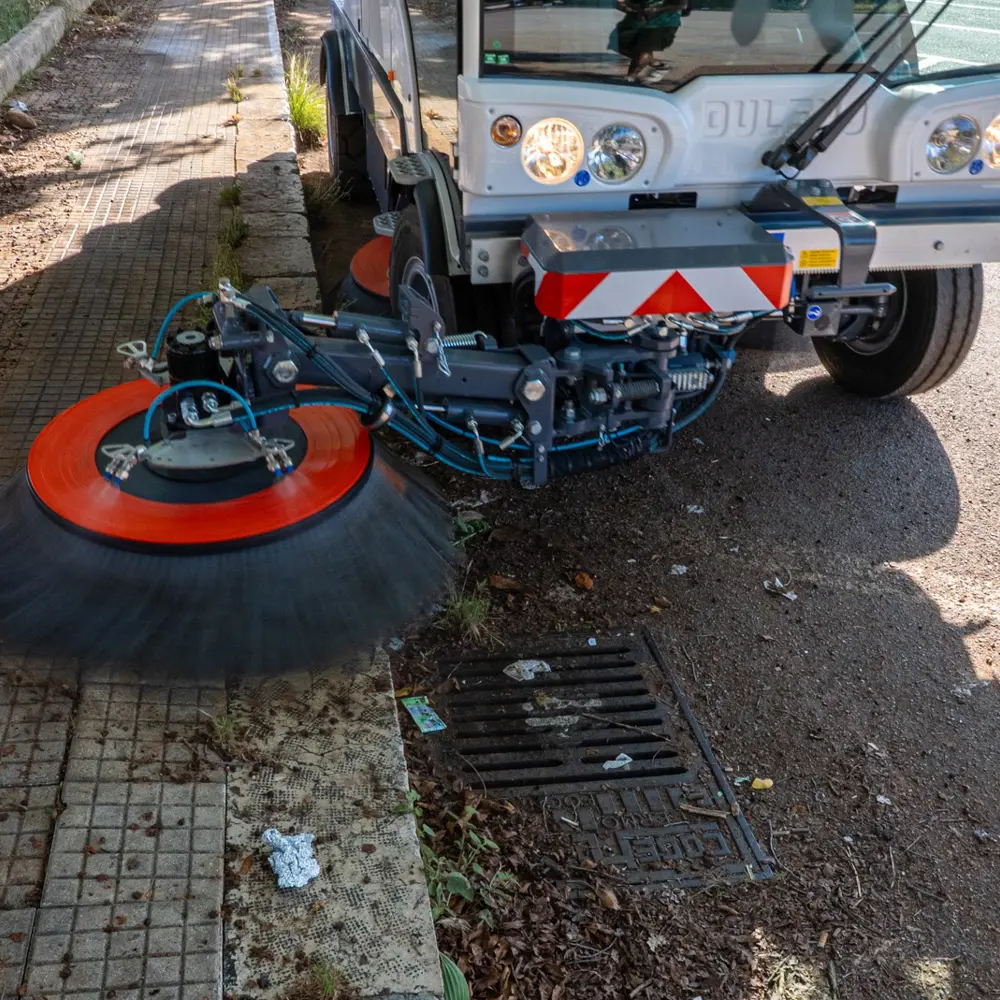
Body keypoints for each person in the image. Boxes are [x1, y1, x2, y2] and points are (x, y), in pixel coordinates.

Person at [609, 0, 689, 81]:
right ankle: (659, 66)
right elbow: (618, 3)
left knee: (644, 50)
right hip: (637, 20)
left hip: (663, 23)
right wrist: (631, 12)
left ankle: (629, 78)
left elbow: (682, 4)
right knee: (618, 44)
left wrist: (656, 9)